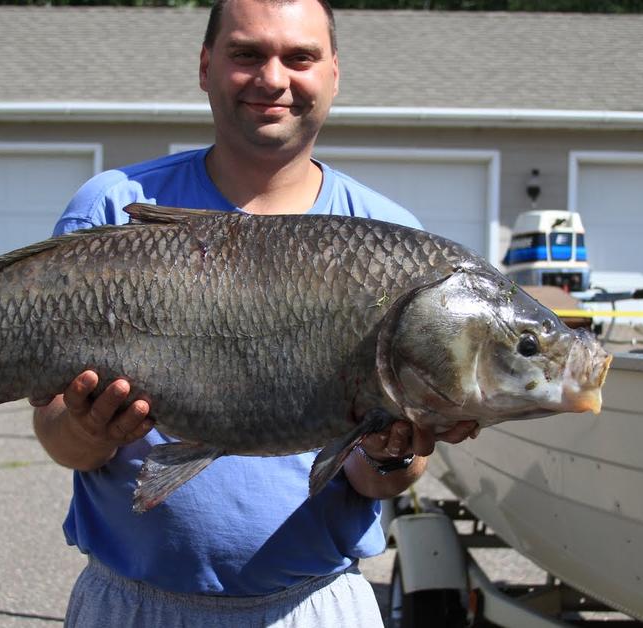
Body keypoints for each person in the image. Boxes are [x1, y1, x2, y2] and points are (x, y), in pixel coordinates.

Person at [32, 0, 478, 625]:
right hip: (132, 607)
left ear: (333, 73)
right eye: (247, 54)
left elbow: (380, 481)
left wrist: (389, 451)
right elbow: (59, 437)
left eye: (300, 57)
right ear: (206, 66)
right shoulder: (115, 208)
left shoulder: (392, 241)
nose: (273, 79)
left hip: (315, 607)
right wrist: (86, 430)